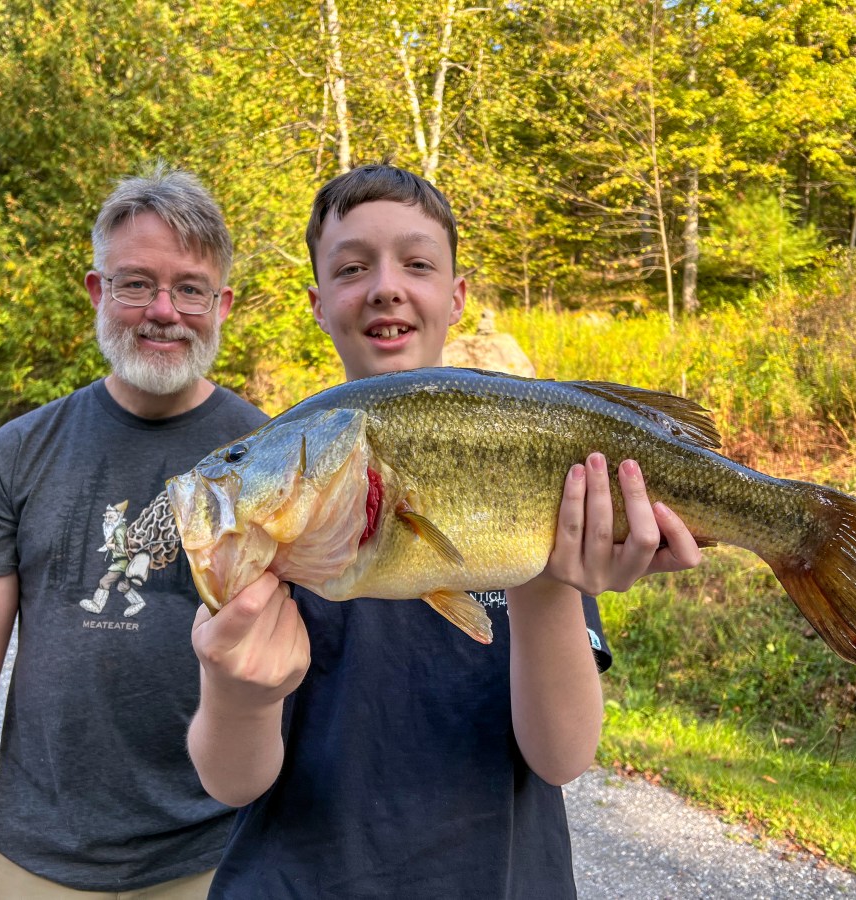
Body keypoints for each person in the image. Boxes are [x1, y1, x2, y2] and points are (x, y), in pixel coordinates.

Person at [187, 163, 703, 898]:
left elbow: (560, 757)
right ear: (318, 302)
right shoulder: (279, 497)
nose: (386, 286)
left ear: (457, 296)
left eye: (417, 263)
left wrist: (550, 583)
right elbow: (231, 781)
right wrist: (237, 692)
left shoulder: (530, 443)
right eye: (353, 267)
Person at [0, 166, 267, 899]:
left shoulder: (272, 457)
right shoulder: (20, 451)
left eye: (190, 288)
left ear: (222, 304)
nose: (163, 311)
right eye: (136, 283)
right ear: (97, 291)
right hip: (35, 857)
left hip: (218, 854)